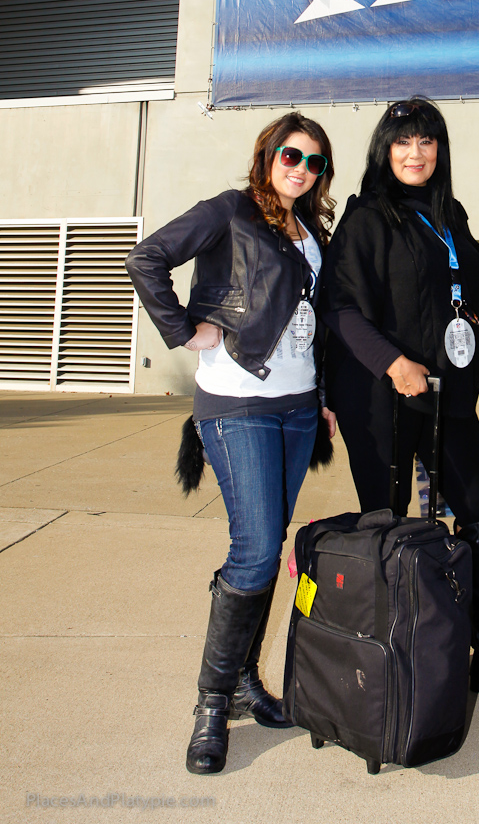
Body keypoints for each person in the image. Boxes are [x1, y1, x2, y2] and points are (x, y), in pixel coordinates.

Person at [321, 96, 479, 694]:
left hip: (445, 395)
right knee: (388, 516)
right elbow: (340, 307)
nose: (415, 153)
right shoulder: (366, 217)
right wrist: (392, 361)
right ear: (384, 150)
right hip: (380, 394)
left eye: (427, 141)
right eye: (403, 142)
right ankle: (390, 658)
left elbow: (462, 293)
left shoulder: (451, 213)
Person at [125, 112, 337, 774]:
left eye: (314, 161)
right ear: (267, 154)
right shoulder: (229, 210)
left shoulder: (312, 230)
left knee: (266, 547)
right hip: (237, 403)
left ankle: (245, 680)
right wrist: (185, 329)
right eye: (291, 155)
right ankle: (212, 702)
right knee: (254, 549)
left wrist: (323, 394)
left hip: (297, 408)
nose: (300, 168)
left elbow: (313, 319)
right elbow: (146, 257)